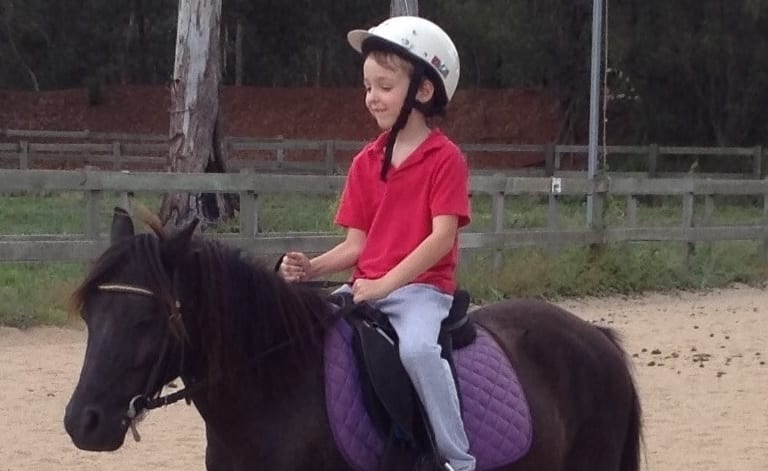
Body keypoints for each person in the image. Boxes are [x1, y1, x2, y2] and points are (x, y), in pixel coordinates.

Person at [279, 16, 474, 471]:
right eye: (368, 86)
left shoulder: (445, 159)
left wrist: (386, 284)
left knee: (418, 352)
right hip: (368, 286)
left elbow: (442, 238)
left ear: (423, 91)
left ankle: (457, 457)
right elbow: (356, 244)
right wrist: (313, 268)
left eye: (385, 86)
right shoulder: (365, 162)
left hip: (421, 290)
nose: (372, 97)